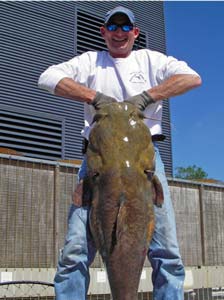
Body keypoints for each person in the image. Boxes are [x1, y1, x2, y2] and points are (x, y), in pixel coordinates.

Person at [38, 6, 201, 300]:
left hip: (146, 163)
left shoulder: (151, 59)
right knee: (74, 250)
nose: (119, 33)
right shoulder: (90, 62)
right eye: (113, 27)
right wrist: (95, 97)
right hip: (97, 163)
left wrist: (147, 96)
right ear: (103, 32)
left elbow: (191, 78)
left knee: (167, 252)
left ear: (135, 33)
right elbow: (47, 77)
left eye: (126, 28)